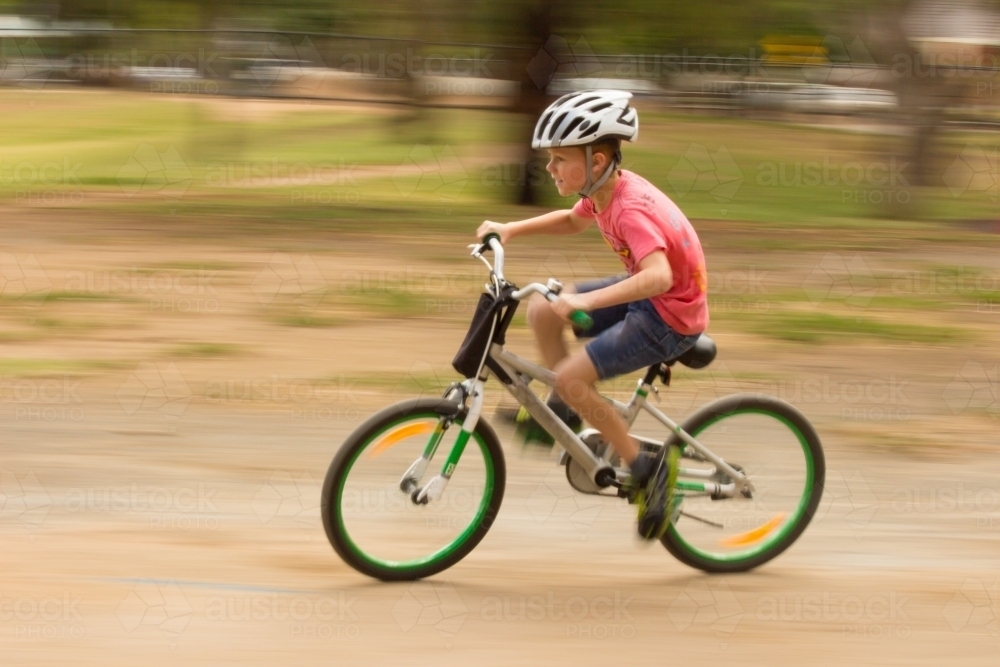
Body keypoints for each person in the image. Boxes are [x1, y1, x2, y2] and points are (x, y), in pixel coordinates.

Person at [476, 90, 710, 538]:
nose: (550, 168)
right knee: (543, 307)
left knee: (571, 377)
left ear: (597, 160)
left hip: (669, 318)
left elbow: (659, 277)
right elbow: (571, 221)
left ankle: (647, 468)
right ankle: (562, 415)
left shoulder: (630, 209)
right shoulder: (604, 191)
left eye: (560, 158)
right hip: (650, 298)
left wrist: (584, 302)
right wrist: (510, 229)